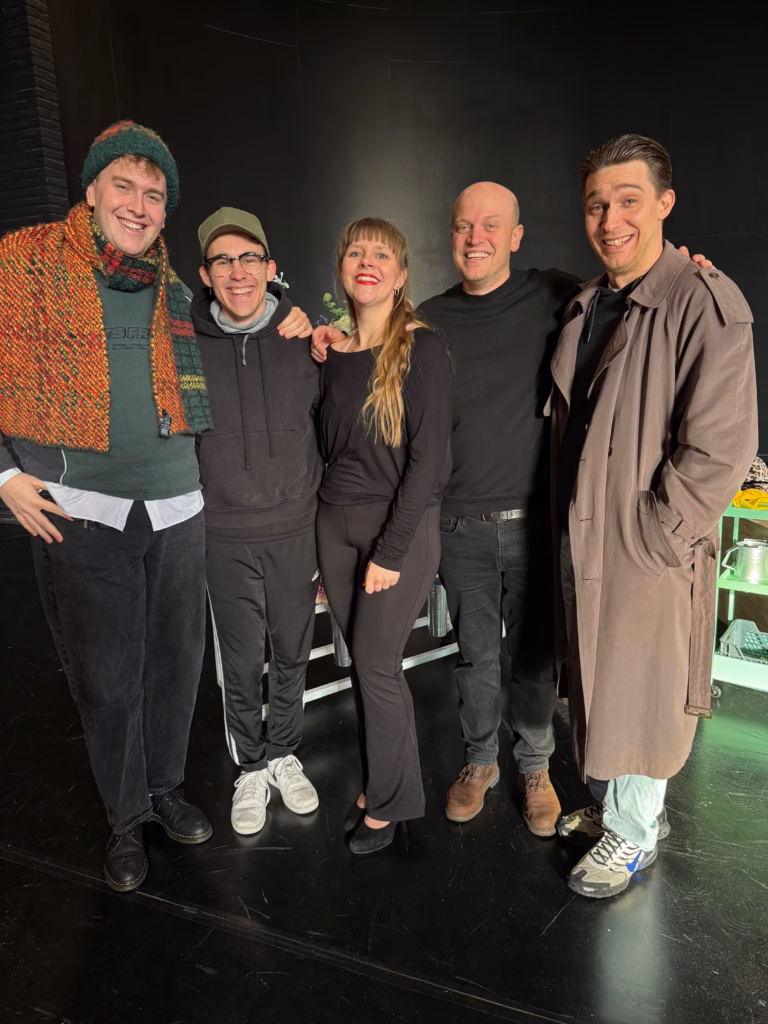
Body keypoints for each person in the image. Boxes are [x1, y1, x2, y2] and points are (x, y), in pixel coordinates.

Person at [313, 185, 714, 839]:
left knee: (534, 661)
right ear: (449, 236)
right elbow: (371, 369)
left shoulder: (556, 294)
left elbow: (630, 290)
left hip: (535, 521)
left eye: (491, 226)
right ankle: (479, 763)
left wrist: (682, 276)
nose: (476, 238)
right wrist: (322, 336)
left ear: (516, 236)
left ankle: (534, 767)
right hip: (457, 522)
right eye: (463, 226)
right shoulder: (428, 324)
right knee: (474, 657)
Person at [0, 123, 313, 892]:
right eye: (124, 186)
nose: (138, 205)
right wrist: (3, 474)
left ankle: (165, 789)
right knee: (109, 680)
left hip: (179, 509)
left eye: (154, 193)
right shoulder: (27, 265)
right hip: (83, 511)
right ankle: (126, 819)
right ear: (92, 190)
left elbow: (250, 322)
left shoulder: (176, 290)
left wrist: (304, 319)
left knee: (175, 670)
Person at [551, 134, 758, 898]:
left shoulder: (703, 300)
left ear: (666, 203)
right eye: (597, 204)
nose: (611, 220)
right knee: (605, 684)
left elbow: (722, 447)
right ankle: (623, 811)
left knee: (644, 689)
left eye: (629, 200)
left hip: (645, 544)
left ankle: (634, 835)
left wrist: (657, 535)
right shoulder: (587, 302)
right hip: (589, 536)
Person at [315, 218, 452, 855]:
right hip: (333, 527)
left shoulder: (423, 348)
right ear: (342, 268)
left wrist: (390, 552)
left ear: (400, 276)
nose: (366, 262)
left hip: (396, 531)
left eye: (381, 255)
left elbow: (430, 463)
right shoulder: (332, 353)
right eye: (355, 251)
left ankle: (392, 805)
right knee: (367, 670)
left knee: (375, 665)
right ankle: (381, 785)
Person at [192, 207, 323, 834]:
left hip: (296, 528)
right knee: (241, 663)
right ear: (206, 274)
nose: (237, 272)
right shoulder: (185, 344)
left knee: (292, 652)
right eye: (223, 261)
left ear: (271, 268)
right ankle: (250, 765)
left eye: (248, 258)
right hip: (224, 534)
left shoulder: (307, 339)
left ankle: (284, 754)